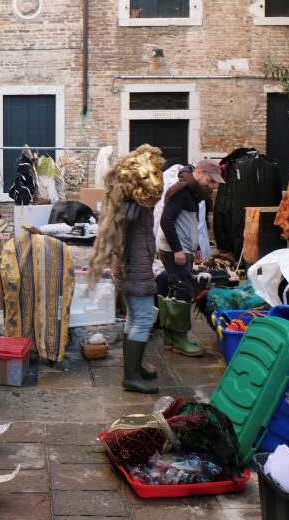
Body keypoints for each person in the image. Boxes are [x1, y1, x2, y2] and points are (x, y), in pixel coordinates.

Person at [87, 145, 165, 393]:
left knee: (134, 318)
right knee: (142, 319)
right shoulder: (129, 204)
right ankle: (131, 376)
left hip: (131, 268)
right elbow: (126, 221)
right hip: (136, 270)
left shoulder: (128, 202)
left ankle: (135, 368)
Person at [156, 158, 224, 357]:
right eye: (211, 181)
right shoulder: (183, 190)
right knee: (184, 289)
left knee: (174, 289)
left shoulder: (193, 192)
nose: (212, 186)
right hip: (174, 249)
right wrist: (177, 249)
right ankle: (180, 339)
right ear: (199, 173)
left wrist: (194, 247)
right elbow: (166, 221)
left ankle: (171, 338)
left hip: (182, 247)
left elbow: (188, 223)